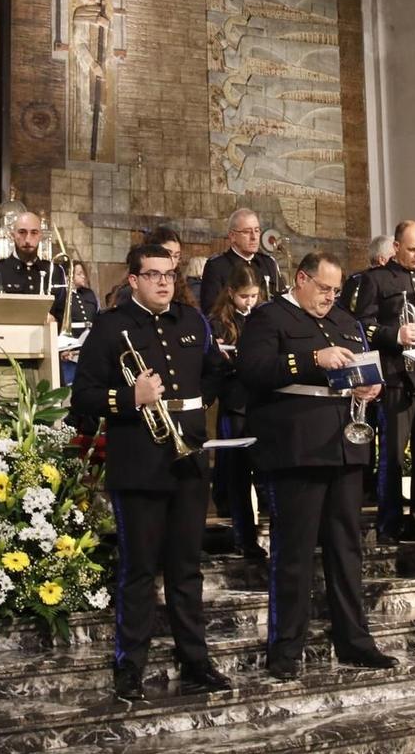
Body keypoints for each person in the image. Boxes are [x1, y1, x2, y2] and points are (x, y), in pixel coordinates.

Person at [71, 243, 231, 702]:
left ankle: (195, 659)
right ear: (134, 280)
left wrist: (194, 402)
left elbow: (217, 372)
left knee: (186, 568)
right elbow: (83, 396)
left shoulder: (192, 320)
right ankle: (129, 665)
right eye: (153, 274)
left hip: (189, 460)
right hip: (139, 460)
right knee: (138, 570)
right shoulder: (110, 326)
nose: (164, 282)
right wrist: (129, 398)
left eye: (169, 273)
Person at [238, 252, 397, 680]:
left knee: (347, 549)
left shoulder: (346, 320)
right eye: (324, 288)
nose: (330, 297)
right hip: (296, 448)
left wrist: (368, 387)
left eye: (335, 290)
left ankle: (355, 641)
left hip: (343, 443)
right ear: (301, 278)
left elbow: (359, 365)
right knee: (294, 552)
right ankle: (286, 649)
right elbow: (251, 371)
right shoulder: (269, 317)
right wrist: (313, 360)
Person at [350, 220, 415, 543]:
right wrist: (396, 335)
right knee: (392, 454)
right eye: (411, 249)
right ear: (395, 247)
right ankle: (388, 523)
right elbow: (362, 326)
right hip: (394, 375)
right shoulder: (375, 280)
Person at [207, 274, 265, 562]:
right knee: (237, 476)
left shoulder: (262, 317)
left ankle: (262, 533)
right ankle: (244, 537)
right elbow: (214, 365)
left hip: (259, 403)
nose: (250, 302)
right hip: (235, 404)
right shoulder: (218, 322)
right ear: (231, 293)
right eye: (245, 297)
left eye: (254, 296)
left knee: (264, 474)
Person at [0, 212, 69, 322]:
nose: (28, 239)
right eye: (22, 232)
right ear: (12, 235)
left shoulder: (55, 271)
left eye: (34, 232)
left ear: (40, 236)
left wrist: (54, 321)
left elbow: (63, 314)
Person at [201, 208, 282, 312]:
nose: (254, 237)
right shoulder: (217, 266)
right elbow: (211, 309)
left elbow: (281, 300)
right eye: (247, 232)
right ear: (232, 236)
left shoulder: (269, 263)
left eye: (257, 231)